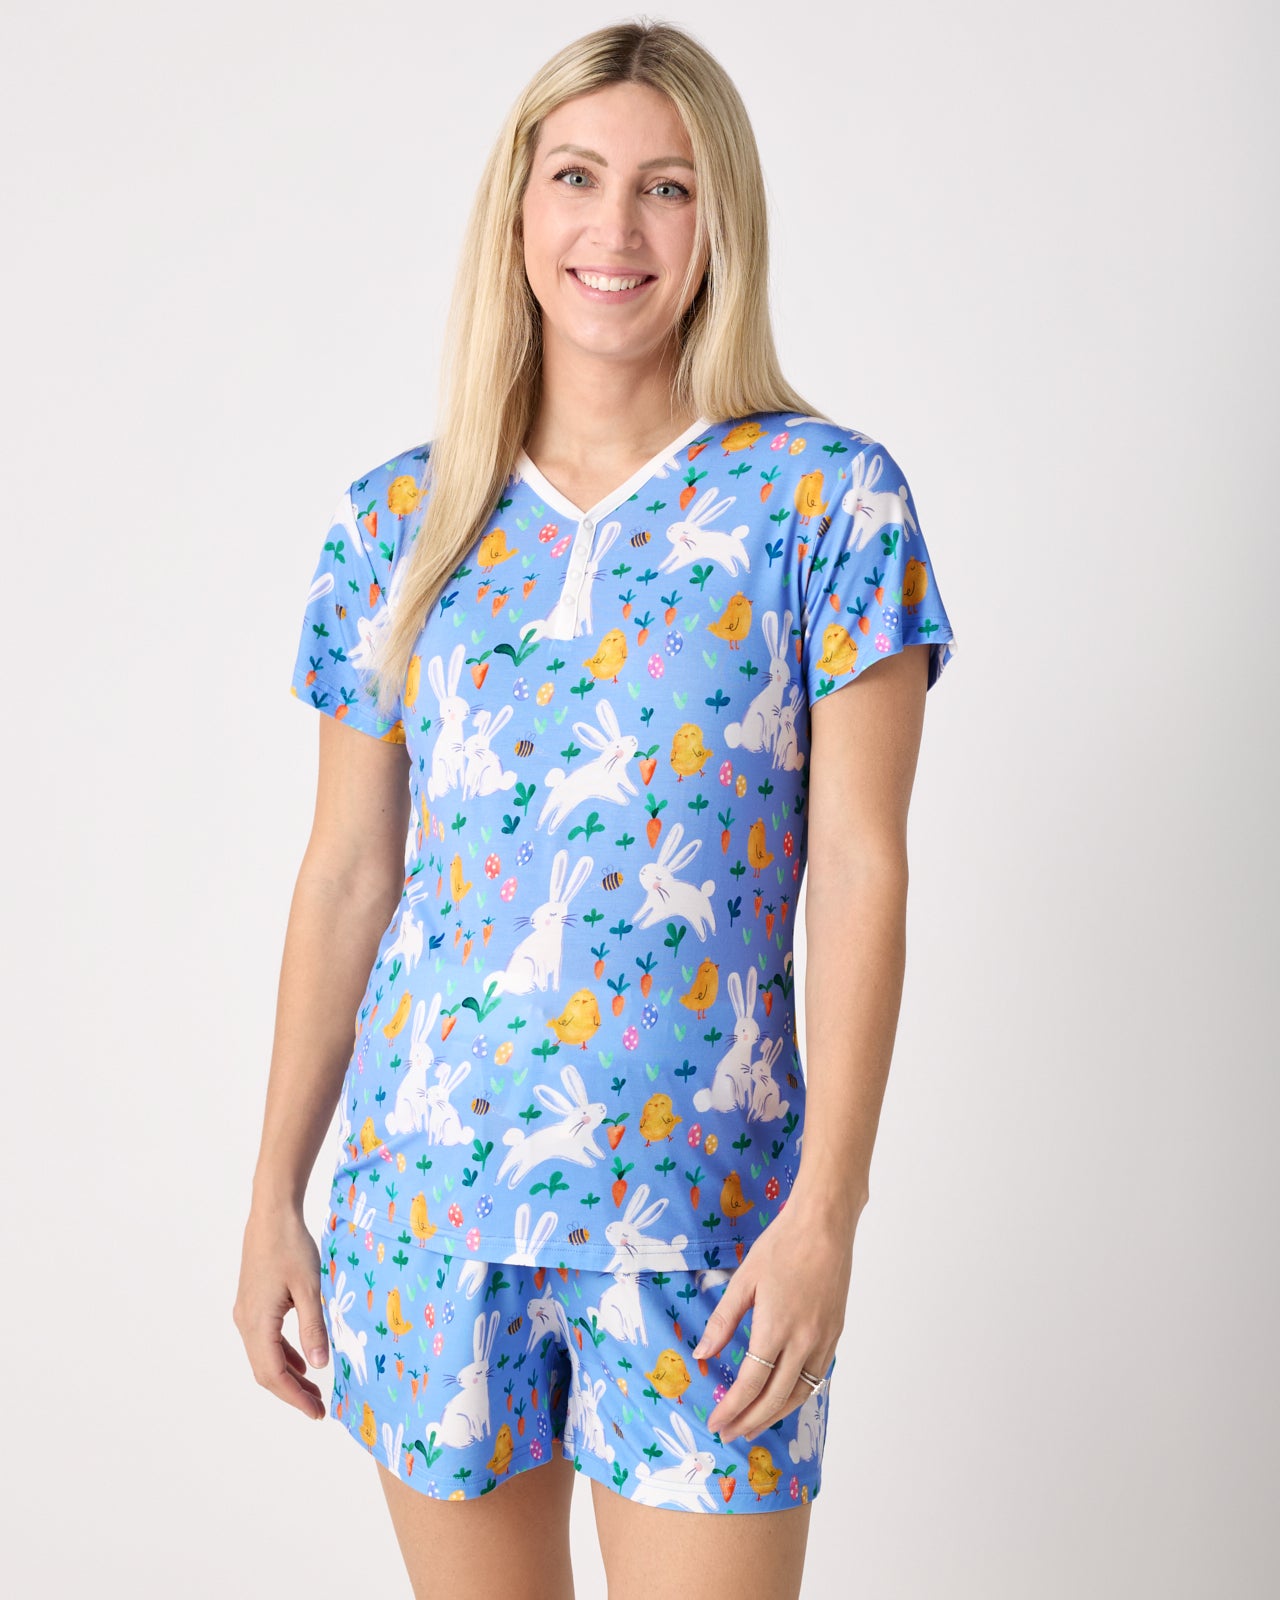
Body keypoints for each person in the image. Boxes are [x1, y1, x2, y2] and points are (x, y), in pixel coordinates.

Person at [234, 19, 957, 1600]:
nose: (614, 228)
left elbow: (861, 866)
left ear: (720, 222)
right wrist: (272, 1194)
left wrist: (828, 1211)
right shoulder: (399, 523)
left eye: (666, 187)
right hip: (430, 1210)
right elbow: (347, 873)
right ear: (518, 209)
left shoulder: (827, 504)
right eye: (576, 178)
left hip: (711, 1229)